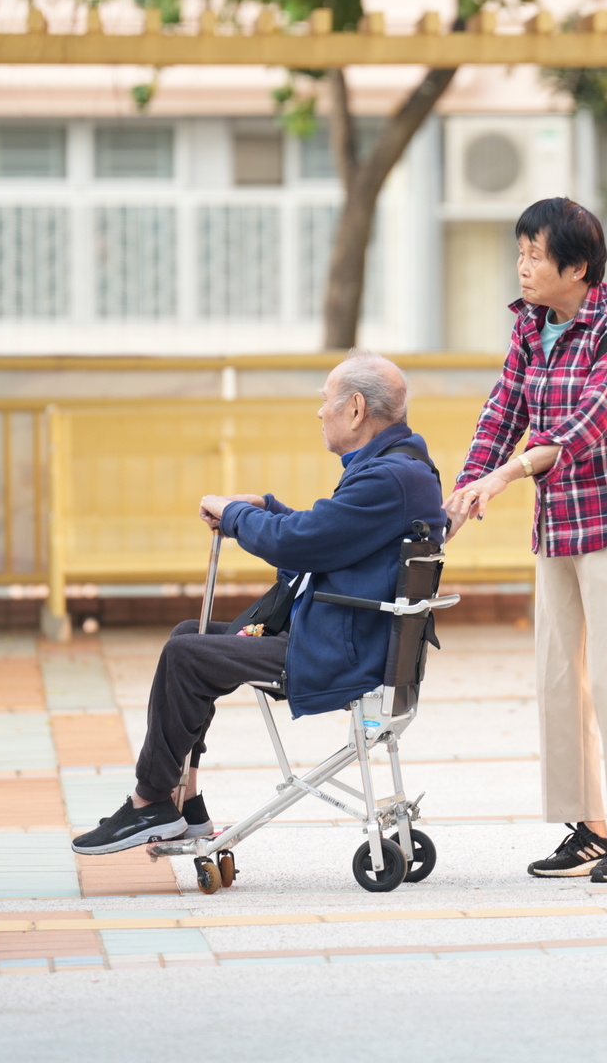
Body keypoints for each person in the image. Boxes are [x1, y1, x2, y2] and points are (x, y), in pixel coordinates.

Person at [71, 352, 446, 854]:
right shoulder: (400, 469)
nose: (319, 413)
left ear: (355, 408)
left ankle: (149, 802)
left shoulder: (389, 478)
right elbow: (331, 537)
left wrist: (234, 518)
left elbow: (302, 543)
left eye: (324, 401)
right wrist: (265, 510)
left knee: (187, 655)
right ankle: (188, 802)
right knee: (191, 636)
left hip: (340, 653)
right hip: (348, 636)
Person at [446, 197, 607, 884]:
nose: (522, 266)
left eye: (535, 255)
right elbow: (503, 410)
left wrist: (509, 475)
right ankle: (588, 826)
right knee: (557, 680)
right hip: (559, 526)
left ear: (577, 266)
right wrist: (463, 491)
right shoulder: (531, 328)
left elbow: (583, 427)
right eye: (519, 252)